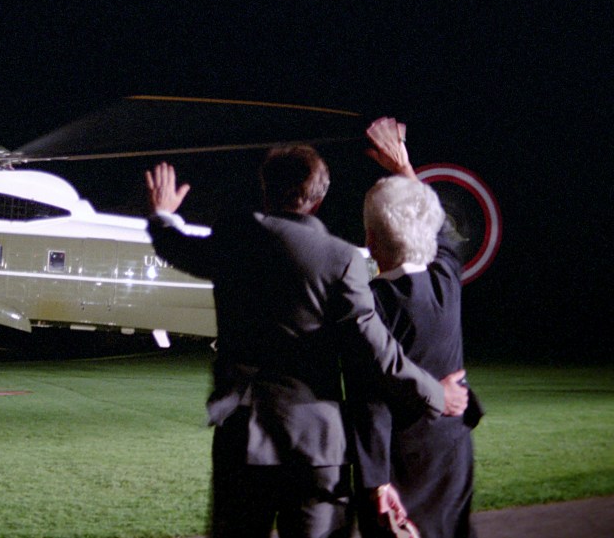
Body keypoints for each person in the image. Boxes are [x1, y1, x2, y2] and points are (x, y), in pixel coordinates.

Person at [145, 146, 469, 538]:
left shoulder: (236, 237)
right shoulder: (341, 259)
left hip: (243, 435)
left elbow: (176, 247)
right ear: (318, 199)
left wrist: (162, 214)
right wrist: (435, 393)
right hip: (317, 445)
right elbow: (377, 350)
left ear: (266, 190)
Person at [352, 117, 482, 538]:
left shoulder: (370, 303)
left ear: (371, 241)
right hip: (452, 452)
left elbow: (370, 400)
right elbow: (440, 227)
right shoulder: (446, 278)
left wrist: (377, 480)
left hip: (399, 464)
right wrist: (403, 166)